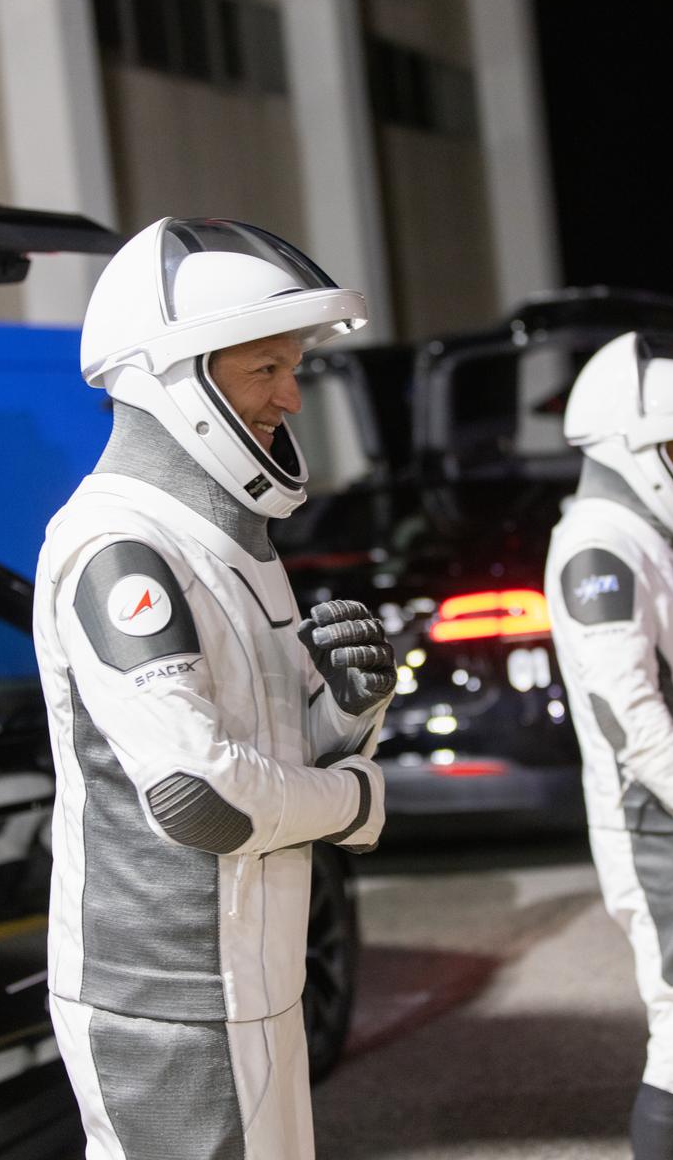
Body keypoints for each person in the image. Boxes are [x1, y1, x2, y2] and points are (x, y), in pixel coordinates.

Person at [32, 218, 397, 1160]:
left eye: (292, 367)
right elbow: (200, 797)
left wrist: (346, 713)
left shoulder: (225, 545)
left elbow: (263, 758)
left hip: (247, 976)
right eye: (263, 370)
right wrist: (357, 798)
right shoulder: (121, 551)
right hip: (168, 992)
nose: (291, 397)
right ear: (177, 381)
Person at [545, 331, 673, 1160]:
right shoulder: (598, 547)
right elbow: (626, 709)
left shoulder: (648, 538)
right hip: (665, 834)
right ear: (637, 445)